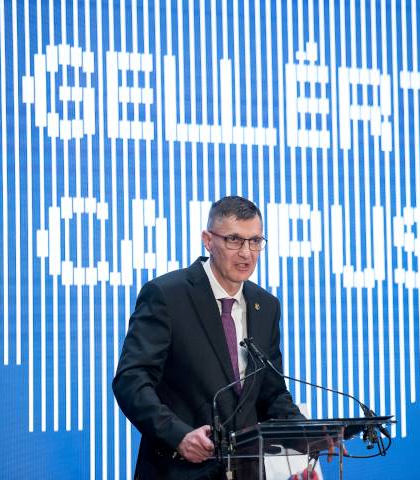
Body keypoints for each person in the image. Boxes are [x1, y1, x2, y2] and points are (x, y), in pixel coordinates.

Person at [113, 196, 303, 479]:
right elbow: (131, 381)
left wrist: (308, 434)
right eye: (234, 240)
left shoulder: (266, 306)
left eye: (255, 241)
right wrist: (178, 435)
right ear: (208, 240)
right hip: (178, 470)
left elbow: (271, 393)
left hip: (247, 471)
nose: (246, 253)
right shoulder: (167, 295)